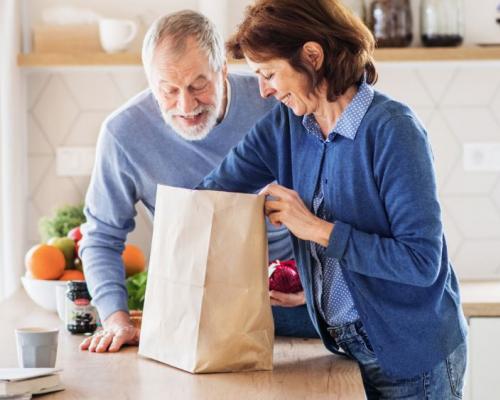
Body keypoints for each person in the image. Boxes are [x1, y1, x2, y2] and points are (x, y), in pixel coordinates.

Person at [198, 0, 468, 398]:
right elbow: (212, 193)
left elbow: (420, 262)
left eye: (269, 73)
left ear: (312, 56)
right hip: (345, 348)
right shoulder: (286, 127)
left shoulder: (393, 130)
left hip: (412, 356)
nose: (263, 90)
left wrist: (314, 228)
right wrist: (317, 284)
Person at [79, 10, 318, 354]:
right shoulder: (123, 134)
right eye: (168, 90)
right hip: (196, 312)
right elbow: (101, 237)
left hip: (293, 304)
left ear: (223, 70)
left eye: (198, 85)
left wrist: (317, 288)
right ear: (150, 82)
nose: (185, 104)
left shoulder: (275, 102)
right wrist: (116, 318)